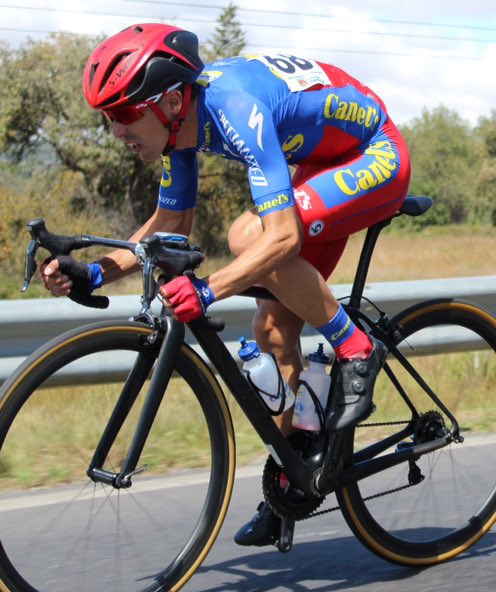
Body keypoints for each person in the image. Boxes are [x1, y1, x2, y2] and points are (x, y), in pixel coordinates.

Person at [40, 23, 410, 548]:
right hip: (319, 165)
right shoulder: (179, 129)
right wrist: (96, 271)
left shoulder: (235, 109)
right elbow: (171, 224)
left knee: (248, 234)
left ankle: (355, 347)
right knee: (273, 332)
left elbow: (279, 237)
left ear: (169, 101)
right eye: (108, 118)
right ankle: (289, 489)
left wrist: (209, 291)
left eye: (124, 114)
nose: (116, 131)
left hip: (375, 155)